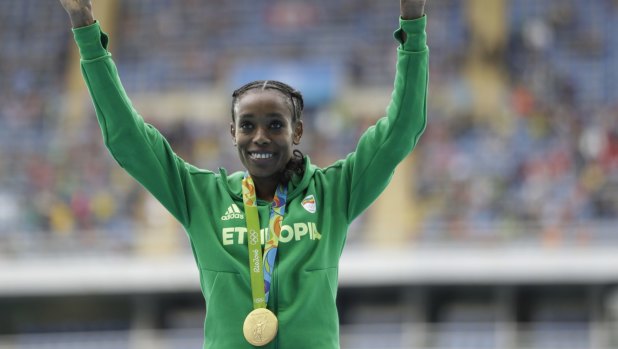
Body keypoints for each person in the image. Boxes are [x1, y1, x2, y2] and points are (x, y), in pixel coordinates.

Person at [58, 0, 429, 348]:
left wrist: (412, 24)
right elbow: (129, 140)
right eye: (247, 125)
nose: (260, 137)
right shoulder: (201, 197)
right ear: (232, 132)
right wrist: (86, 30)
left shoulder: (334, 191)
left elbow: (402, 128)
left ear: (296, 132)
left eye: (275, 124)